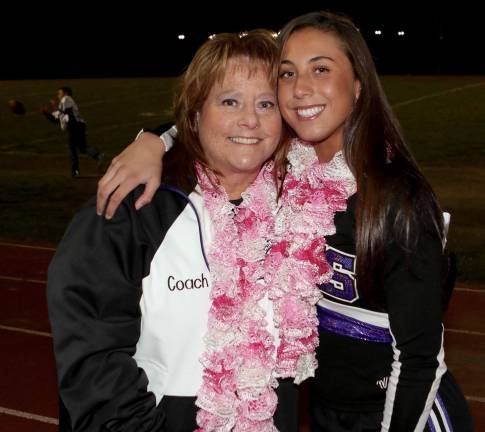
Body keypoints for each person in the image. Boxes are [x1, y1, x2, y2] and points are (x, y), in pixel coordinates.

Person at [96, 11, 473, 432]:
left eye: (322, 69)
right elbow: (214, 124)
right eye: (288, 73)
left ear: (359, 84)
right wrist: (152, 140)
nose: (301, 89)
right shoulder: (287, 170)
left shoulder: (397, 198)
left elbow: (420, 359)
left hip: (401, 416)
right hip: (324, 414)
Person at [48, 29, 343, 432]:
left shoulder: (304, 208)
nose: (250, 120)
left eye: (266, 103)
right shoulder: (135, 208)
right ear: (195, 113)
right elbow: (91, 355)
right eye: (229, 101)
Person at [41, 86, 104, 177]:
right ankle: (98, 156)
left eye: (59, 93)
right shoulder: (62, 104)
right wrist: (46, 113)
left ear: (65, 93)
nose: (58, 95)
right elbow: (56, 120)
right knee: (82, 148)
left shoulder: (67, 99)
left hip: (74, 125)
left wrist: (54, 107)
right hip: (78, 125)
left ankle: (75, 171)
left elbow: (65, 111)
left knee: (72, 148)